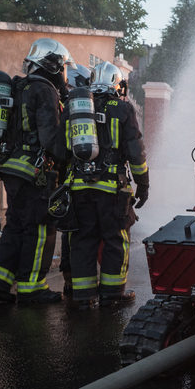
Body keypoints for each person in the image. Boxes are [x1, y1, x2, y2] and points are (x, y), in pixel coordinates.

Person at [0, 37, 75, 304]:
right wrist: (67, 155)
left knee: (16, 225)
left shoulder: (19, 86)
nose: (64, 73)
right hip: (36, 172)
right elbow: (49, 138)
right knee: (40, 228)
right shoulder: (44, 90)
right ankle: (32, 288)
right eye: (63, 67)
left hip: (12, 168)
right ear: (53, 64)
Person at [63, 61, 149, 308]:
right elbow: (136, 151)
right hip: (112, 189)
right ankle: (112, 293)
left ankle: (82, 296)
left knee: (82, 240)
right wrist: (143, 184)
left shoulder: (75, 107)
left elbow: (60, 148)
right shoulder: (123, 109)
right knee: (115, 239)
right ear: (117, 84)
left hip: (78, 187)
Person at [58, 64, 93, 299]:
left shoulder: (65, 109)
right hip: (85, 182)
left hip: (68, 181)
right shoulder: (83, 109)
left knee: (70, 233)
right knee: (83, 234)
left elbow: (60, 147)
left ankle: (70, 283)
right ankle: (83, 286)